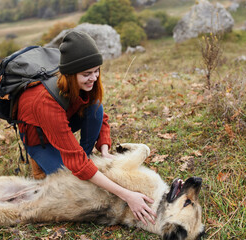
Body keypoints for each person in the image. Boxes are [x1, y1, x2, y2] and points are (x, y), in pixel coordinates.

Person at [16, 30, 156, 225]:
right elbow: (77, 164)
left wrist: (105, 151)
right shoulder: (44, 101)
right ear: (70, 74)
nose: (93, 77)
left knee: (96, 108)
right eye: (86, 74)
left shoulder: (86, 83)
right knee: (69, 182)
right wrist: (127, 195)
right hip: (38, 137)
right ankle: (41, 159)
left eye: (96, 71)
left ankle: (87, 156)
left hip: (63, 119)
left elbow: (102, 117)